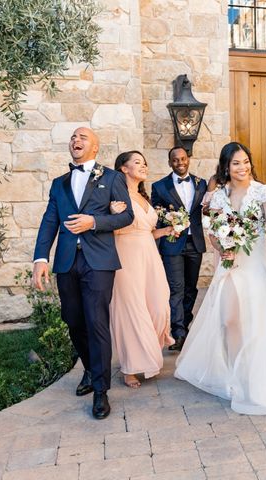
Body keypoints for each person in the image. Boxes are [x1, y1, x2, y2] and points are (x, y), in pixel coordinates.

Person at [175, 142, 266, 414]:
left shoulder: (262, 192)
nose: (242, 167)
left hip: (258, 262)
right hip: (231, 265)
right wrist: (224, 247)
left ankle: (259, 378)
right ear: (226, 167)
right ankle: (235, 374)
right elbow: (213, 231)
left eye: (245, 161)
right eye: (235, 163)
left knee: (258, 321)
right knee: (229, 319)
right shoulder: (219, 195)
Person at [32, 127, 134, 419]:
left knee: (96, 321)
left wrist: (94, 221)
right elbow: (49, 221)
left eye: (82, 137)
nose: (76, 141)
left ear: (95, 147)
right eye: (73, 137)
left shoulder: (112, 178)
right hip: (66, 262)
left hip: (99, 261)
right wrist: (41, 258)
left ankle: (101, 391)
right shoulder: (59, 184)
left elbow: (126, 216)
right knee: (73, 319)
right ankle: (90, 367)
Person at [109, 151, 175, 388]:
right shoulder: (115, 197)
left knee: (159, 306)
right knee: (131, 310)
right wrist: (114, 215)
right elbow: (111, 230)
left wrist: (166, 231)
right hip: (126, 258)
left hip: (150, 257)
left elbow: (145, 231)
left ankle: (147, 353)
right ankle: (130, 366)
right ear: (123, 168)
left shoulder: (142, 197)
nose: (143, 166)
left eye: (145, 162)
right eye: (137, 162)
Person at [151, 146, 207, 351]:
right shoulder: (159, 186)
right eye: (175, 160)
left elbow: (208, 209)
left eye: (183, 159)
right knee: (176, 289)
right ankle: (178, 333)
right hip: (172, 243)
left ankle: (184, 324)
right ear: (170, 162)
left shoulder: (201, 184)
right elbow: (156, 214)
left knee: (191, 289)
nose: (180, 163)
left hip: (195, 243)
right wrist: (170, 221)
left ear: (188, 159)